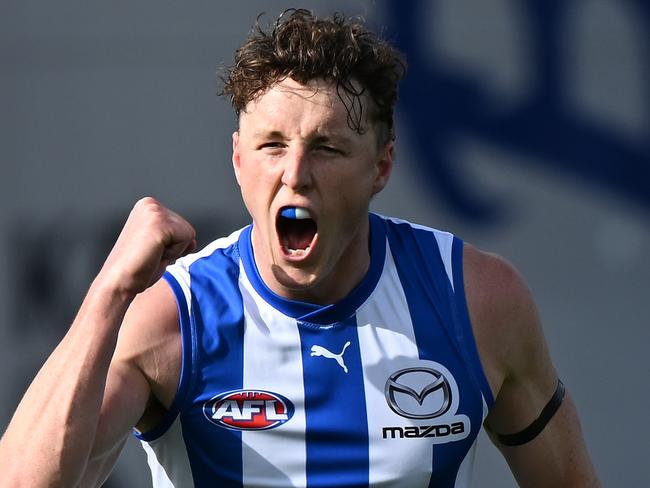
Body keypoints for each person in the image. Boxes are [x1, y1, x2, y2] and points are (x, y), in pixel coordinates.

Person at [0, 9, 600, 488]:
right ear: (238, 160)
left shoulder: (476, 302)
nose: (295, 173)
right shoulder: (171, 319)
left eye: (328, 149)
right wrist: (109, 294)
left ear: (382, 165)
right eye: (271, 146)